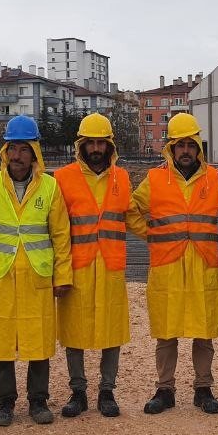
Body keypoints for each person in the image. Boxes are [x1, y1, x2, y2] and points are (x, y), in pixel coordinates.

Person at [126, 113, 218, 415]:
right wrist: (150, 235)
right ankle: (165, 389)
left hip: (203, 265)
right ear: (170, 149)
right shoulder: (156, 179)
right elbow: (132, 208)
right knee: (166, 332)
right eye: (179, 145)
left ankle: (204, 388)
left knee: (204, 332)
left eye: (190, 144)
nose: (186, 150)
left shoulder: (213, 179)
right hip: (167, 266)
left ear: (198, 146)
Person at [0, 115, 72, 426]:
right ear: (5, 151)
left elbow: (61, 235)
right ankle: (4, 402)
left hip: (37, 275)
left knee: (37, 339)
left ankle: (38, 401)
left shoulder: (50, 188)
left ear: (34, 152)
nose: (17, 156)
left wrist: (63, 276)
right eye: (12, 148)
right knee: (2, 340)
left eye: (23, 149)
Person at [52, 113, 132, 418]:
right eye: (91, 143)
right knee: (74, 331)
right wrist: (58, 270)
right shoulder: (62, 178)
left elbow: (132, 215)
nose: (96, 149)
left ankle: (107, 391)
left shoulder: (122, 178)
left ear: (110, 145)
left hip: (111, 265)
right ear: (81, 146)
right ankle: (78, 391)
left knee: (112, 330)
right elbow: (56, 227)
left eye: (102, 143)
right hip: (78, 265)